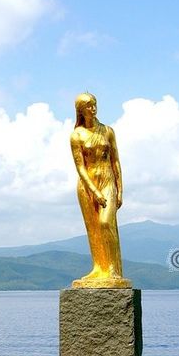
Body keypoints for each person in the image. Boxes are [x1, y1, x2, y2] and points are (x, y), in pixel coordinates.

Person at [70, 92, 131, 288]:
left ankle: (113, 268)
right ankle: (99, 267)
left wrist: (120, 190)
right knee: (94, 229)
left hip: (107, 182)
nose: (93, 108)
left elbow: (116, 162)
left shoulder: (108, 131)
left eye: (94, 104)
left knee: (106, 223)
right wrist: (93, 191)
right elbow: (80, 167)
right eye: (88, 106)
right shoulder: (77, 135)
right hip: (88, 186)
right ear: (81, 110)